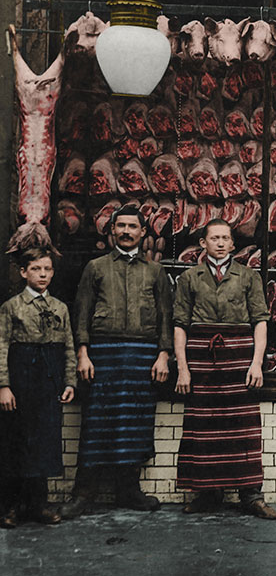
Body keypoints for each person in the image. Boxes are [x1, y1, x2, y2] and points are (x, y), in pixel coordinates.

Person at [61, 205, 172, 519]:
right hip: (103, 355)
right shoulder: (95, 268)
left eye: (132, 227)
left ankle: (129, 491)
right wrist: (83, 354)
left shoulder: (155, 271)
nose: (125, 231)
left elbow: (166, 317)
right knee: (97, 424)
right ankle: (83, 493)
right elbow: (80, 314)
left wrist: (163, 355)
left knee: (134, 423)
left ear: (142, 233)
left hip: (141, 356)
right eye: (120, 226)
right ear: (112, 231)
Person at [173, 219, 276, 519]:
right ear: (203, 244)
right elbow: (180, 324)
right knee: (203, 430)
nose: (220, 243)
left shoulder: (248, 277)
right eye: (214, 238)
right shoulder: (189, 278)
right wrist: (183, 368)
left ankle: (251, 497)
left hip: (238, 361)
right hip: (202, 363)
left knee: (242, 431)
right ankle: (207, 495)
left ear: (233, 244)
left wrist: (256, 363)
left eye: (225, 238)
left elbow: (260, 321)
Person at [0, 248, 76, 527]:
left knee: (44, 442)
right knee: (16, 442)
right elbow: (1, 347)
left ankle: (38, 505)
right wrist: (3, 385)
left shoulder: (60, 308)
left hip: (48, 379)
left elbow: (68, 346)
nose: (42, 275)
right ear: (23, 272)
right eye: (36, 269)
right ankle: (10, 506)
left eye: (47, 269)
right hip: (21, 378)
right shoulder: (12, 307)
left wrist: (69, 381)